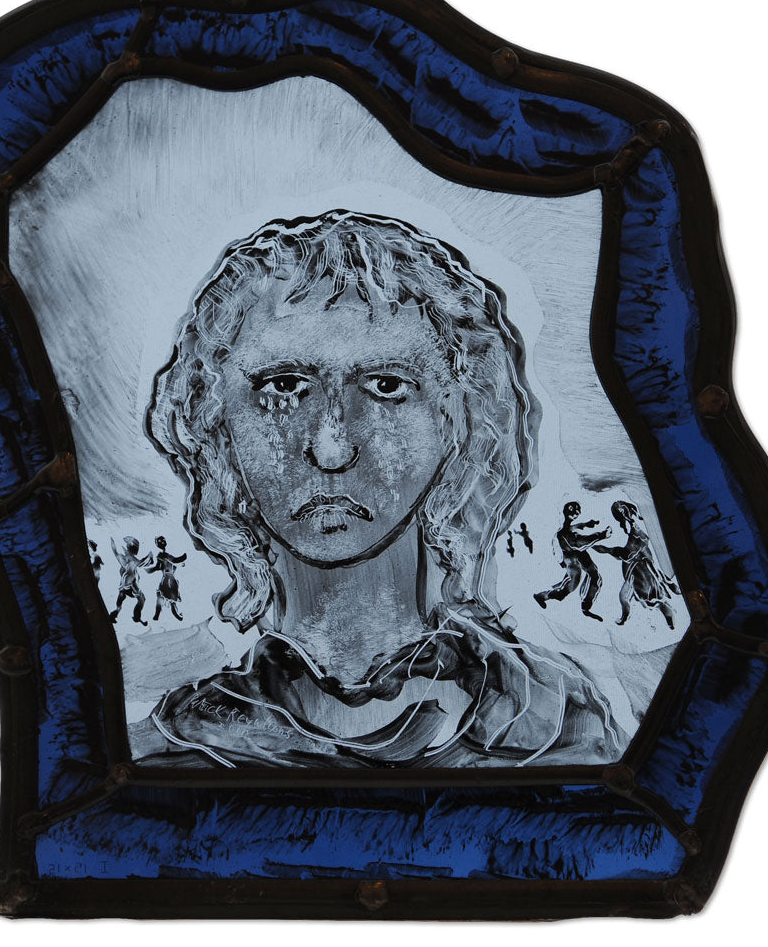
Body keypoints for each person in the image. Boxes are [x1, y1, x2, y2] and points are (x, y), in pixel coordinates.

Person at [133, 210, 624, 768]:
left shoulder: (554, 723)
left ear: (459, 419)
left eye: (387, 386)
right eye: (283, 386)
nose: (332, 449)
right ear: (216, 422)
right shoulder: (180, 748)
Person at [593, 500, 679, 629]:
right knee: (633, 597)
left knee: (632, 597)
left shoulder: (633, 541)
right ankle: (629, 615)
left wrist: (595, 544)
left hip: (642, 572)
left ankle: (665, 617)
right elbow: (611, 550)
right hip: (642, 570)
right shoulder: (634, 536)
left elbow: (612, 550)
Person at [534, 502, 611, 621]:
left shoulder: (566, 528)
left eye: (577, 513)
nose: (577, 515)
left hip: (575, 552)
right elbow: (577, 543)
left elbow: (572, 530)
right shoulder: (563, 533)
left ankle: (586, 606)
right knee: (571, 584)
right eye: (575, 513)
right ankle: (543, 596)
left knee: (594, 574)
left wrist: (586, 524)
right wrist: (601, 535)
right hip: (570, 556)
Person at [110, 536, 152, 625]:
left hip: (124, 583)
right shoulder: (132, 559)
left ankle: (115, 614)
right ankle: (136, 616)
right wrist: (149, 557)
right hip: (131, 582)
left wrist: (112, 542)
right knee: (142, 599)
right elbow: (141, 563)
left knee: (121, 597)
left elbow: (115, 552)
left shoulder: (122, 557)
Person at [148, 535, 187, 622]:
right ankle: (159, 615)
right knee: (170, 599)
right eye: (161, 541)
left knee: (163, 596)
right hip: (169, 579)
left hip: (166, 578)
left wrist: (149, 570)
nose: (162, 542)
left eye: (163, 540)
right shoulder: (164, 555)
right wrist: (185, 556)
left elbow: (158, 567)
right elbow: (176, 560)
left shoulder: (161, 555)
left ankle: (157, 615)